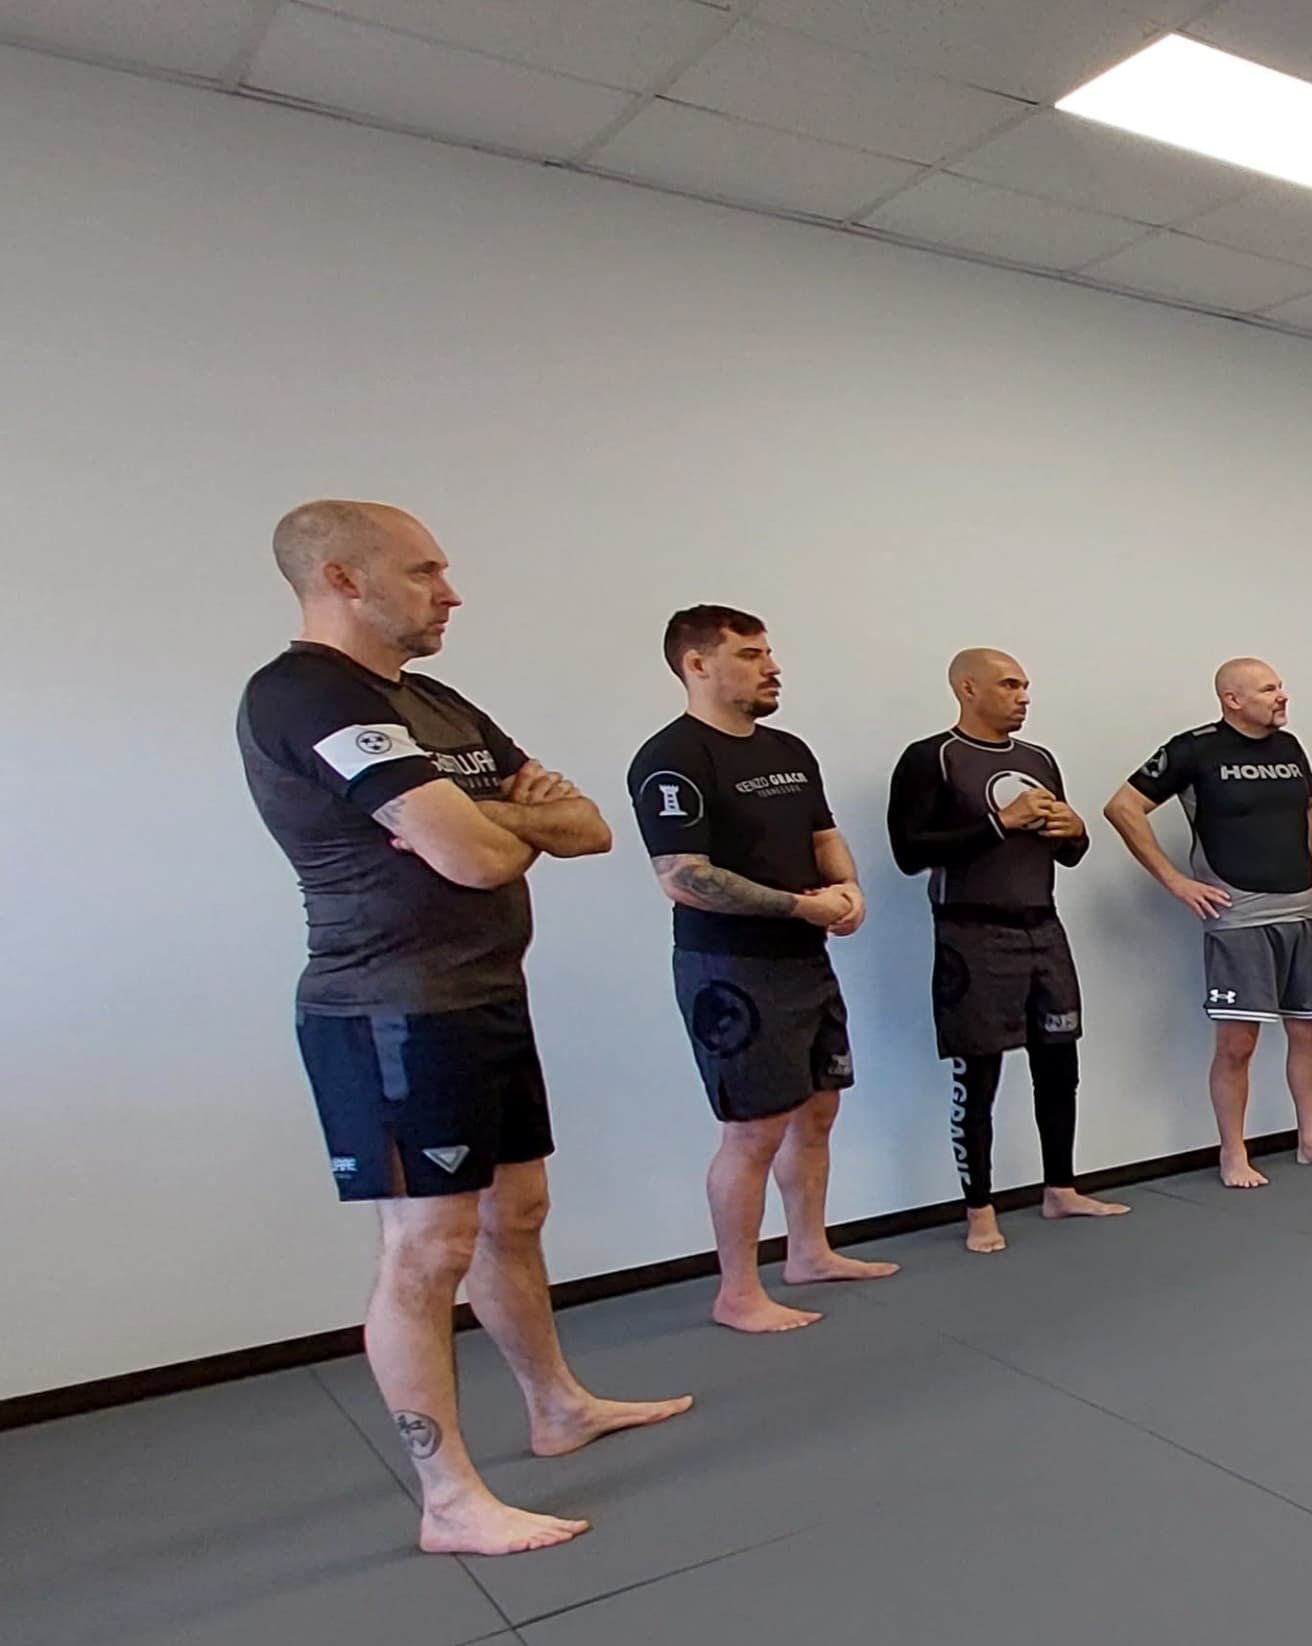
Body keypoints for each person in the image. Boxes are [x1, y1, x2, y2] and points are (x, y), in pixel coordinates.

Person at [241, 500, 686, 1555]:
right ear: (344, 578)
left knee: (516, 1211)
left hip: (484, 995)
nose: (451, 593)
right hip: (388, 1010)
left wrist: (480, 817)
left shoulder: (432, 701)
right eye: (425, 571)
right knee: (426, 1247)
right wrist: (491, 826)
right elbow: (476, 859)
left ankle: (557, 1407)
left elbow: (584, 825)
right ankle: (447, 1500)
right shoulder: (304, 694)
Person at [631, 606, 895, 1332]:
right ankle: (738, 1293)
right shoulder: (672, 758)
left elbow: (823, 834)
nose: (772, 667)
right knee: (753, 1131)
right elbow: (684, 877)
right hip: (731, 969)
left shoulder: (788, 749)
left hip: (805, 961)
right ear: (697, 664)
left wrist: (848, 890)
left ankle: (808, 1253)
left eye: (769, 652)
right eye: (750, 655)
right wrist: (800, 907)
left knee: (818, 1110)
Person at [888, 648, 1126, 1253]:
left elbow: (1066, 852)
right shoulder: (931, 757)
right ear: (967, 689)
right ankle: (979, 1209)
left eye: (1025, 686)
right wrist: (1000, 822)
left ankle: (1060, 1189)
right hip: (971, 930)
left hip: (1042, 925)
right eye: (1009, 685)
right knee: (979, 1071)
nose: (1023, 696)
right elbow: (909, 852)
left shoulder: (1038, 760)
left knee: (1059, 1062)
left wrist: (1076, 832)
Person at [1106, 659, 1312, 1184]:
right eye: (1268, 689)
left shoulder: (1290, 748)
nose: (1282, 696)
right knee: (1238, 1043)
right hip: (1238, 917)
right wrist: (1176, 881)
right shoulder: (1194, 749)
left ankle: (1311, 1138)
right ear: (1232, 699)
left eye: (1280, 686)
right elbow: (1123, 807)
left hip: (1301, 913)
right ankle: (1233, 1154)